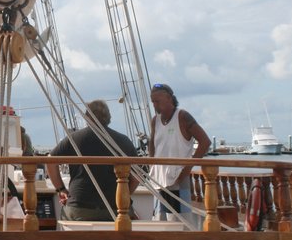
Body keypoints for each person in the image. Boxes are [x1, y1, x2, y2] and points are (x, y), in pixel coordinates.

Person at [46, 100, 138, 221]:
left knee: (66, 218)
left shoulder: (73, 138)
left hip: (80, 206)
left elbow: (50, 161)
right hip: (115, 208)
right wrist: (123, 196)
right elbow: (136, 178)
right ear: (109, 117)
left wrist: (61, 189)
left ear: (87, 117)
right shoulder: (124, 141)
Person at [147, 83, 211, 219]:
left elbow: (205, 142)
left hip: (178, 178)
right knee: (160, 221)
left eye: (157, 101)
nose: (154, 105)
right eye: (153, 102)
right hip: (158, 180)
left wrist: (187, 168)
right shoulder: (155, 121)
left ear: (169, 98)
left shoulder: (182, 117)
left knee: (180, 222)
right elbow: (152, 143)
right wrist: (151, 164)